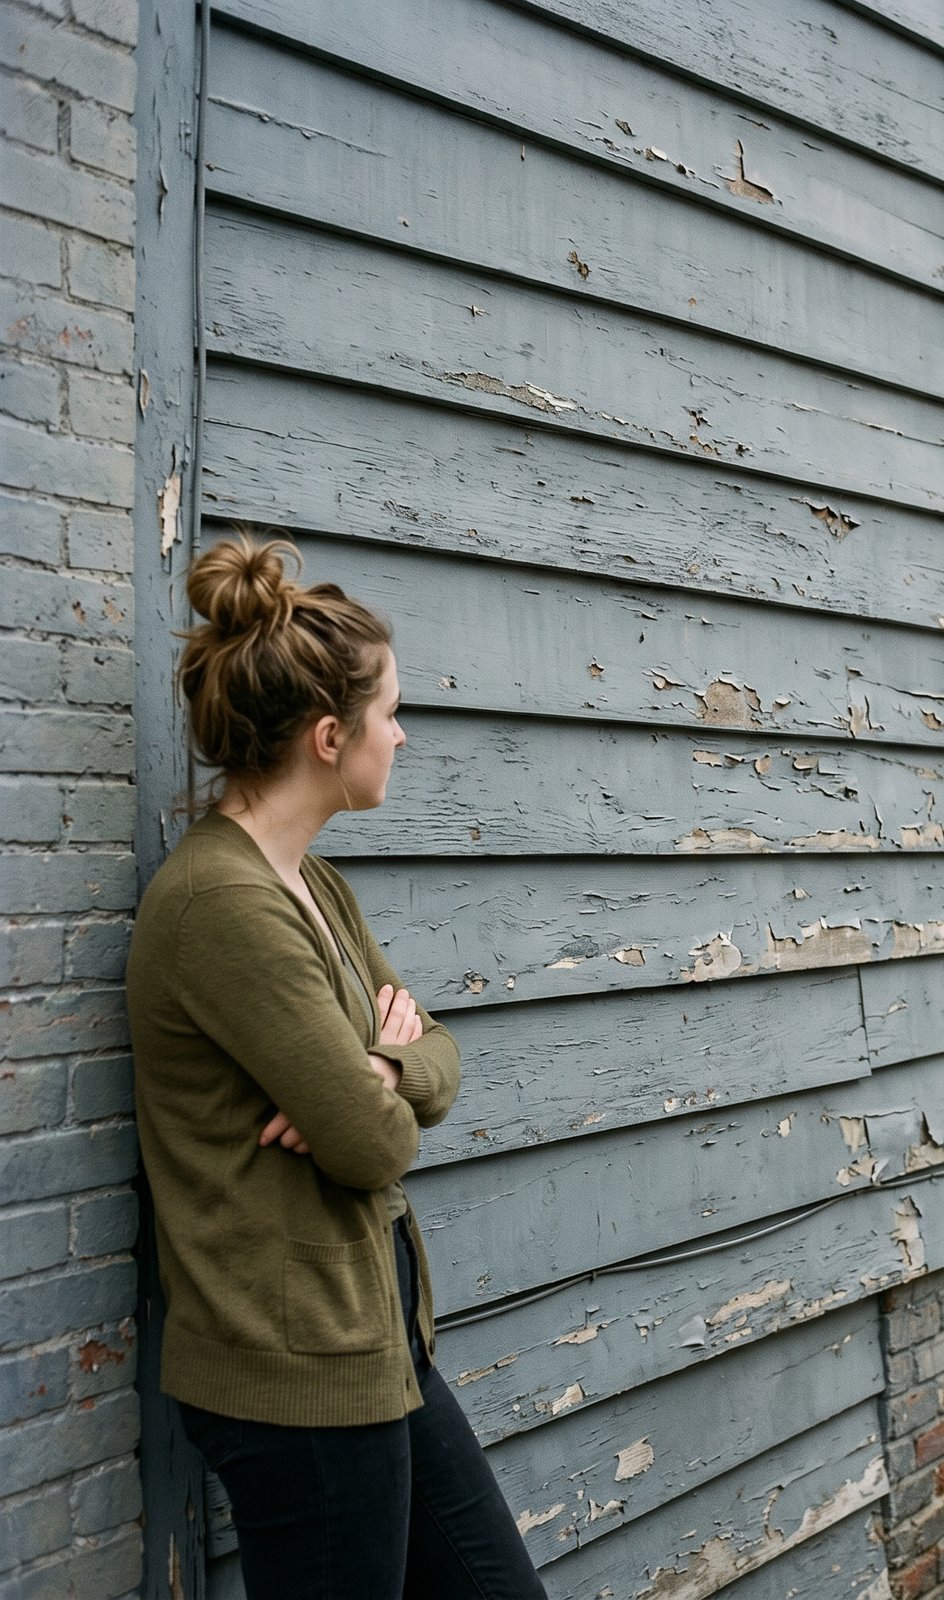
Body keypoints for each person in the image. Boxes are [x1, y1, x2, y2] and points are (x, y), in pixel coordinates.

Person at [126, 535, 547, 1599]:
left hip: (371, 1343)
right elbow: (368, 1149)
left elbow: (434, 1059)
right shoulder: (222, 904)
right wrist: (384, 1078)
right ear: (327, 736)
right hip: (294, 1377)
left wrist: (391, 1066)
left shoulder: (314, 885)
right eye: (389, 712)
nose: (401, 734)